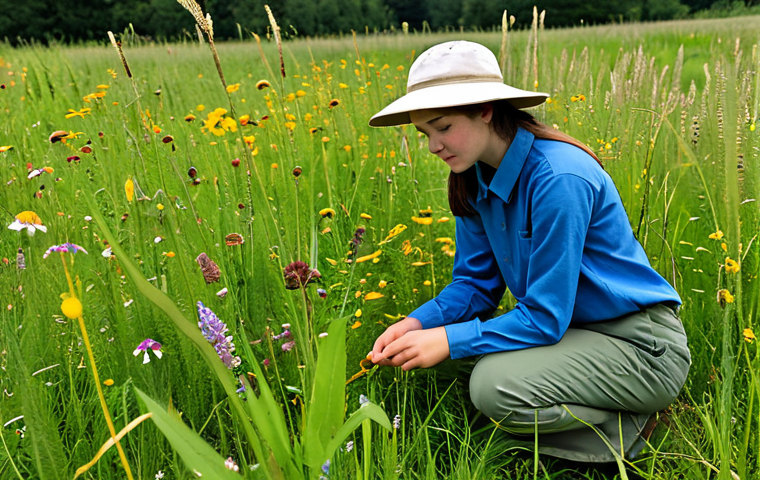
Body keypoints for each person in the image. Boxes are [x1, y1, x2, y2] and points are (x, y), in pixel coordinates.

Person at [367, 40, 691, 466]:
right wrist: (417, 323)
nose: (432, 146)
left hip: (638, 345)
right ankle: (553, 430)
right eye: (425, 133)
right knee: (457, 366)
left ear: (485, 108)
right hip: (576, 336)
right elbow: (474, 287)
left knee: (490, 386)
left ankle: (630, 429)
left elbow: (544, 316)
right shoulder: (474, 179)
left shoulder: (559, 176)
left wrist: (447, 339)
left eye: (443, 127)